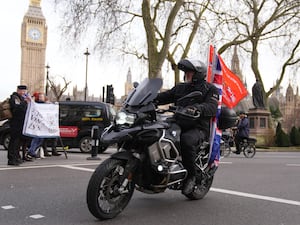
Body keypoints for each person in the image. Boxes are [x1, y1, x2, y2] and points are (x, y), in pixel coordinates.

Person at [154, 58, 219, 195]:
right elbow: (164, 97)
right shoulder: (180, 87)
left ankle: (191, 176)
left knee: (186, 140)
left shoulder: (209, 89)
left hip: (197, 127)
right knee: (155, 132)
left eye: (189, 72)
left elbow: (212, 107)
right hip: (177, 122)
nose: (186, 75)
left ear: (198, 74)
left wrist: (198, 108)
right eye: (186, 72)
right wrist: (147, 98)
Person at [7, 85, 31, 166]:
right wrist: (25, 102)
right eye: (23, 91)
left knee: (18, 142)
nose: (24, 93)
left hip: (21, 123)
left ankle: (17, 157)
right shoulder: (15, 98)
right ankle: (11, 159)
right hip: (15, 123)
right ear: (18, 90)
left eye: (25, 91)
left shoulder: (22, 99)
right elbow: (17, 109)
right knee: (14, 141)